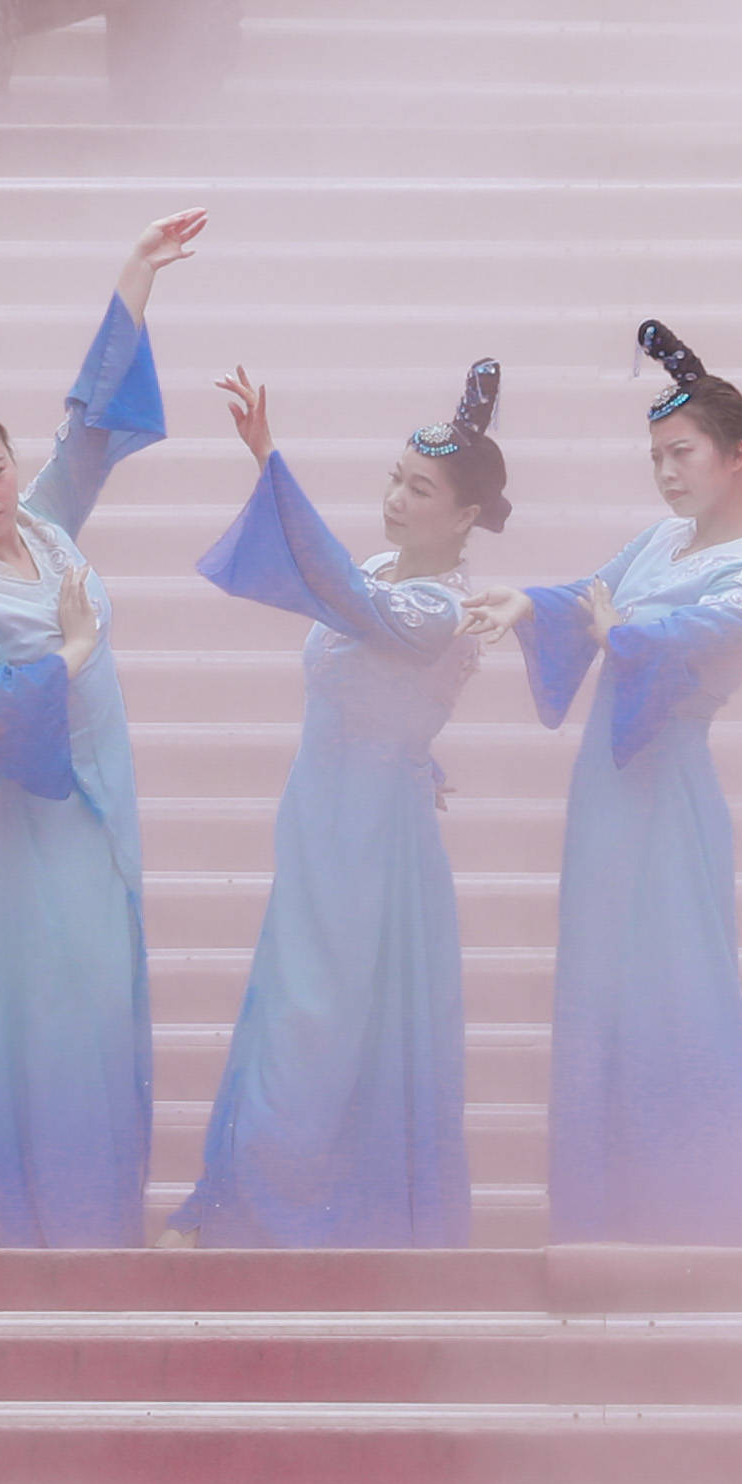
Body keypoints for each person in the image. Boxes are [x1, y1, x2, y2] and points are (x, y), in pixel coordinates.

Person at [172, 355, 518, 1252]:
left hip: (369, 837)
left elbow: (353, 602)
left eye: (423, 490)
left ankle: (301, 1214)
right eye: (396, 479)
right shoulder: (378, 563)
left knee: (327, 1020)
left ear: (468, 515)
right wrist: (419, 746)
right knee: (296, 1004)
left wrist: (270, 465)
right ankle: (242, 1197)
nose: (398, 500)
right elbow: (367, 665)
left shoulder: (440, 606)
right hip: (324, 816)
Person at [0, 210, 203, 1249]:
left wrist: (134, 276)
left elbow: (89, 425)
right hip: (22, 813)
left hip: (92, 802)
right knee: (48, 1019)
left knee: (97, 1005)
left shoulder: (42, 518)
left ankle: (94, 1217)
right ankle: (30, 1224)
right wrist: (72, 652)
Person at [517, 320, 742, 1244]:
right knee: (602, 985)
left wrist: (620, 633)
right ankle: (613, 1204)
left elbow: (673, 636)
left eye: (680, 453)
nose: (665, 472)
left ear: (735, 456)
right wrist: (520, 604)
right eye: (655, 456)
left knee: (681, 987)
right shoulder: (662, 539)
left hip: (670, 786)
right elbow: (587, 596)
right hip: (610, 783)